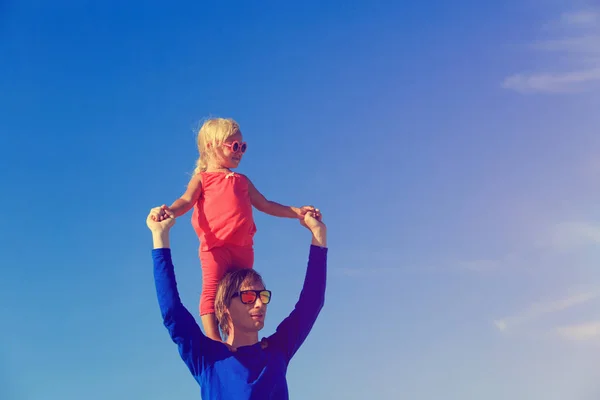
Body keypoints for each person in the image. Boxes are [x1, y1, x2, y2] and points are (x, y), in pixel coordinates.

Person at [152, 117, 316, 341]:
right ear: (211, 146)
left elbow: (266, 205)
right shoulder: (203, 180)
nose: (240, 152)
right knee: (211, 291)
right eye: (234, 146)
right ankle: (215, 341)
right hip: (215, 249)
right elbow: (186, 201)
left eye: (243, 147)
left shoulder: (242, 181)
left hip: (243, 249)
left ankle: (238, 339)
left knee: (243, 296)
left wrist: (297, 211)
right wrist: (170, 210)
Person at [146, 206, 328, 399]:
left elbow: (311, 302)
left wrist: (318, 234)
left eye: (263, 296)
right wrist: (160, 236)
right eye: (248, 297)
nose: (259, 304)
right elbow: (172, 312)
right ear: (225, 308)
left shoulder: (277, 351)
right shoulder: (208, 358)